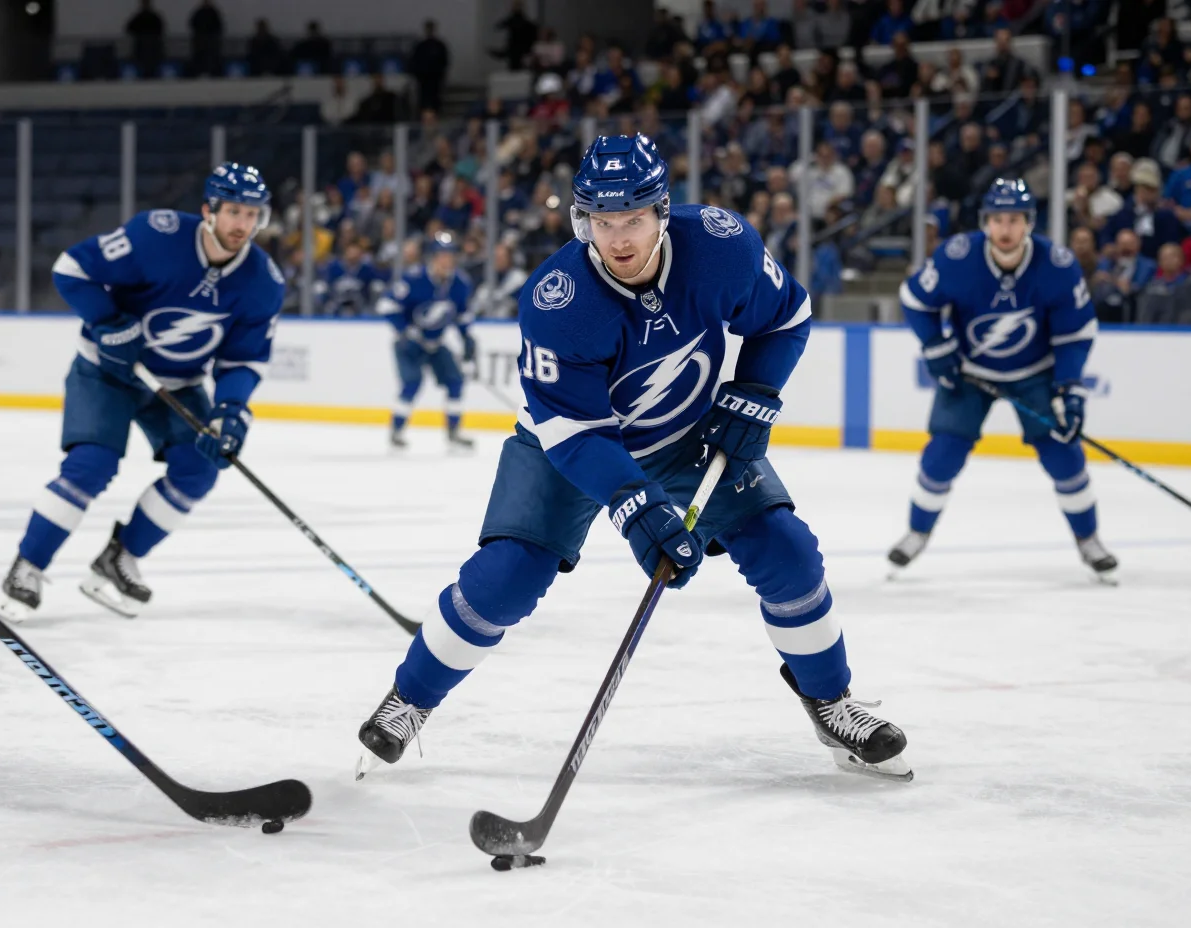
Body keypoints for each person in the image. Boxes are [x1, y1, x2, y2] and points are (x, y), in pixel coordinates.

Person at [355, 134, 911, 784]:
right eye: (603, 221)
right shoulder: (557, 300)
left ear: (662, 211)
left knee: (786, 550)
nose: (618, 238)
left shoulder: (720, 244)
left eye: (634, 220)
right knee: (505, 577)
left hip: (688, 433)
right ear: (581, 219)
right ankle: (409, 699)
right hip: (568, 445)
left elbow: (787, 317)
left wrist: (756, 392)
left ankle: (831, 702)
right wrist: (635, 506)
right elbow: (578, 433)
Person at [0, 164, 283, 620]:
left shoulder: (262, 282)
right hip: (106, 370)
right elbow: (71, 270)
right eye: (234, 211)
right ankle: (27, 565)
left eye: (253, 215)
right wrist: (109, 323)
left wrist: (231, 411)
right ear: (208, 210)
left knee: (199, 469)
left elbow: (243, 360)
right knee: (91, 466)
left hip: (178, 382)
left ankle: (119, 558)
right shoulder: (157, 235)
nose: (243, 225)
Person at [892, 178, 1115, 582]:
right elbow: (914, 300)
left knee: (1064, 456)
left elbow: (1074, 335)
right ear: (985, 223)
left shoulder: (1058, 266)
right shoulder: (958, 257)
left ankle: (1089, 540)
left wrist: (1069, 388)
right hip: (971, 375)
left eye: (1015, 219)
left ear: (1029, 222)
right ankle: (916, 532)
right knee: (942, 455)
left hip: (1036, 373)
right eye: (997, 219)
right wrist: (935, 346)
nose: (1006, 229)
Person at [379, 239, 475, 450]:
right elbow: (386, 305)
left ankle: (454, 432)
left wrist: (467, 339)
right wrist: (404, 330)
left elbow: (461, 315)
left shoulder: (460, 283)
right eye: (442, 256)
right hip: (409, 343)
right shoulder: (413, 279)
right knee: (412, 382)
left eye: (450, 257)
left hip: (436, 343)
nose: (446, 261)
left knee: (455, 381)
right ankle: (397, 430)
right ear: (433, 258)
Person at [410, 20, 450, 114]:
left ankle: (436, 115)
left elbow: (444, 62)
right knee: (423, 100)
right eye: (428, 28)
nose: (429, 30)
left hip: (435, 79)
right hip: (423, 79)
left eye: (431, 28)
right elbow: (414, 62)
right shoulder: (420, 46)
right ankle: (423, 116)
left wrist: (440, 74)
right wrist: (418, 75)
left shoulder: (439, 45)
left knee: (435, 100)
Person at [125, 0, 166, 78]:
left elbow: (129, 29)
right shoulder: (153, 17)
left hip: (149, 49)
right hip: (146, 48)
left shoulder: (144, 17)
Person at [188, 0, 225, 77]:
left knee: (212, 58)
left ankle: (213, 73)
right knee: (200, 57)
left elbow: (219, 25)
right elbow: (192, 23)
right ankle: (199, 73)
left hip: (211, 40)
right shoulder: (198, 12)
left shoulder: (214, 13)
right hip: (200, 40)